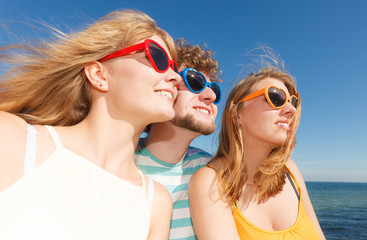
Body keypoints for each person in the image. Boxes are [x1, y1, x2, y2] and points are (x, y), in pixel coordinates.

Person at [0, 9, 181, 240]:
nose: (175, 77)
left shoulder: (156, 202)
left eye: (174, 68)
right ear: (99, 75)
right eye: (157, 57)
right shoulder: (15, 141)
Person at [189, 63, 326, 239]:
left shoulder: (290, 170)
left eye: (293, 102)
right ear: (237, 114)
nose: (291, 110)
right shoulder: (210, 182)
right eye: (275, 97)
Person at [135, 39, 222, 240]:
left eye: (215, 90)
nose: (210, 95)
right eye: (195, 81)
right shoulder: (120, 163)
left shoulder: (212, 169)